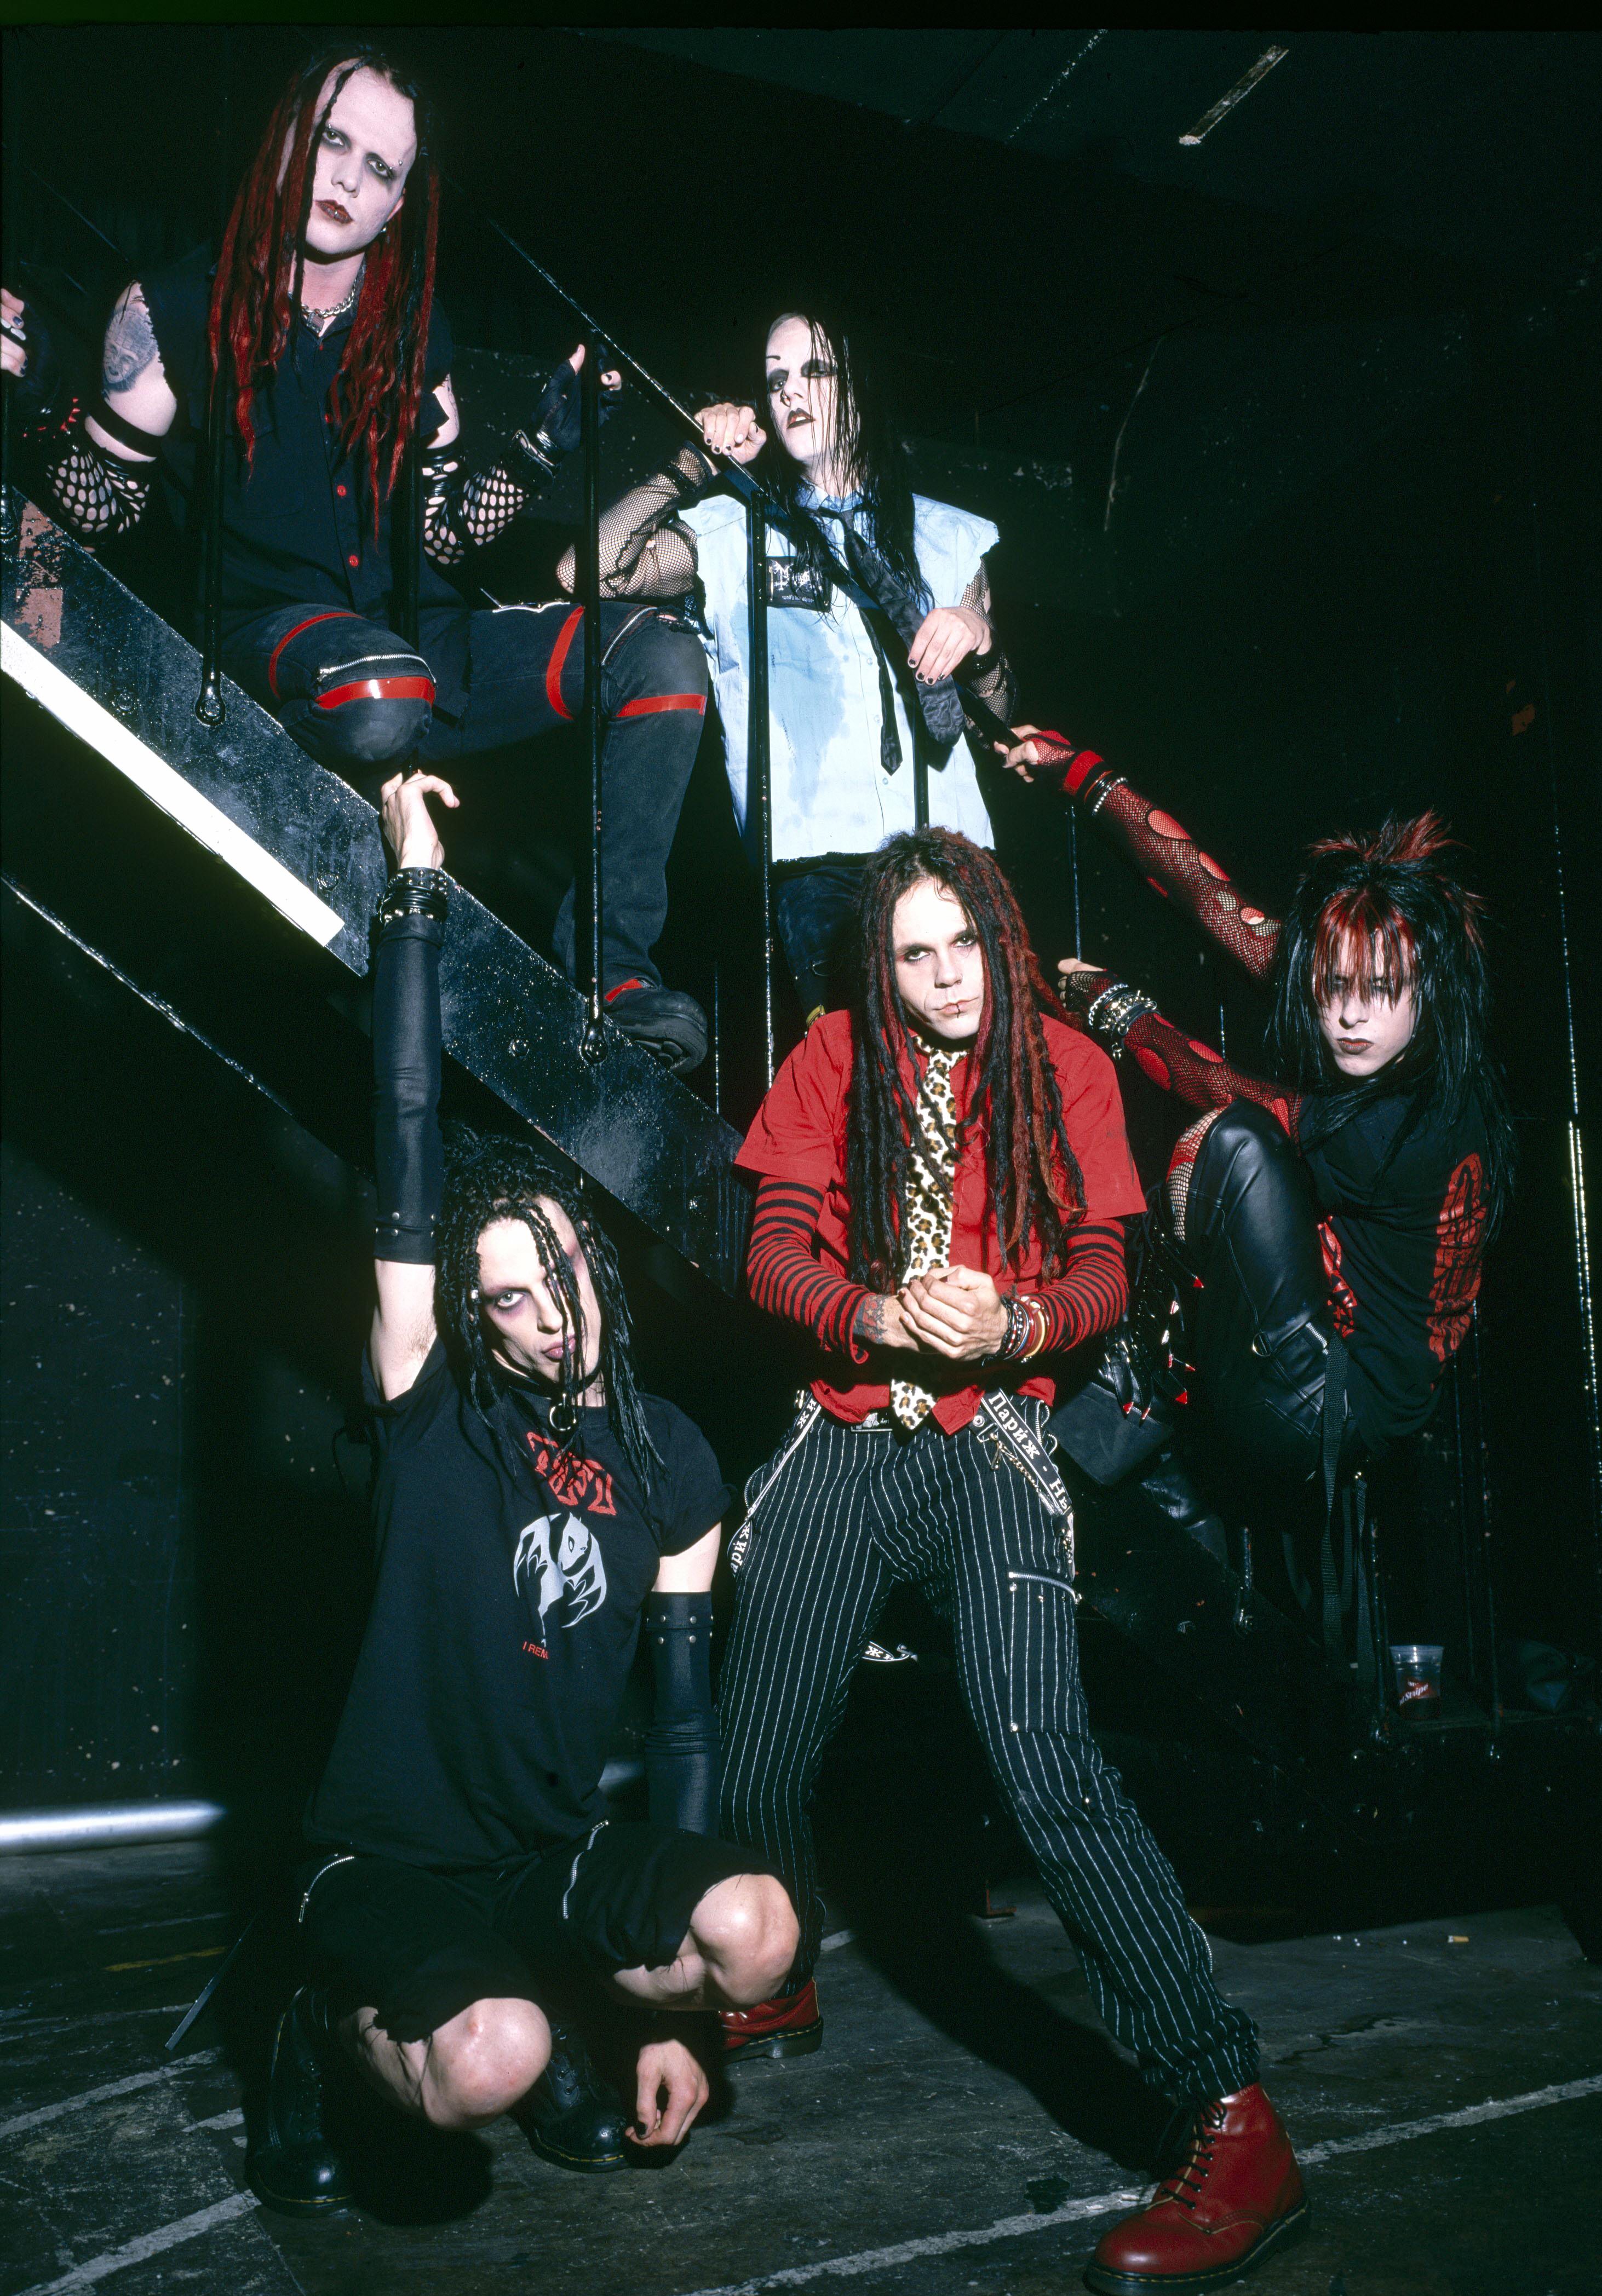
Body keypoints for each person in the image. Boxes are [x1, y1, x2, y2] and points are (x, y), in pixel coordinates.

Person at [716, 825, 1308, 2294]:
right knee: (757, 1750)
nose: (942, 977)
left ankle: (1233, 2119)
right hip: (845, 1431)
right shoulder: (833, 1056)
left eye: (963, 944)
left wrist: (1017, 1324)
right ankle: (772, 1973)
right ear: (880, 966)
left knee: (1044, 1757)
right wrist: (869, 1315)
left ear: (1002, 935)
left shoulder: (1066, 1066)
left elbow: (1105, 1270)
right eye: (910, 954)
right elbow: (769, 1254)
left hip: (990, 1435)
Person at [248, 765, 797, 2217]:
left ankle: (565, 2005)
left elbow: (680, 1731)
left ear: (595, 1263)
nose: (549, 1315)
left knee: (754, 1930)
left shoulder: (672, 1458)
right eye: (506, 1297)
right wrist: (414, 891)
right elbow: (407, 1121)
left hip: (544, 1859)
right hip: (390, 1862)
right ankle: (318, 2021)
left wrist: (680, 2016)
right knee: (489, 2063)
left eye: (559, 1272)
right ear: (472, 1319)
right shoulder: (435, 1407)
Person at [8, 47, 710, 1071]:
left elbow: (441, 537)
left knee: (663, 656)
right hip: (277, 639)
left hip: (423, 641)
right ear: (285, 139)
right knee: (383, 691)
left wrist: (540, 443)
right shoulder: (172, 308)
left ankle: (617, 976)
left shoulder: (414, 328)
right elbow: (106, 508)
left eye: (379, 167)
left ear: (397, 205)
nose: (345, 177)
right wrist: (36, 408)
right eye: (331, 141)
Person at [999, 728, 1515, 1659]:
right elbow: (1215, 901)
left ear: (1428, 992)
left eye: (1380, 992)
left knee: (1231, 1144)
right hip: (1315, 1351)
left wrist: (1108, 1006)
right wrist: (1078, 771)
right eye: (1333, 986)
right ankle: (1145, 1394)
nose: (1348, 1015)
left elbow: (1220, 1093)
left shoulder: (1415, 1120)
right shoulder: (1390, 1044)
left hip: (1328, 1408)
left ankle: (1136, 1378)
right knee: (1238, 1149)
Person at [558, 307, 1018, 1021]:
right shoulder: (729, 530)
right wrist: (692, 464)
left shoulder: (946, 536)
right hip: (821, 862)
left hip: (953, 851)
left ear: (861, 387)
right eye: (776, 380)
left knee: (980, 1062)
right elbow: (584, 571)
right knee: (859, 1058)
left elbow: (997, 715)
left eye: (816, 371)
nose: (791, 391)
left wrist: (977, 632)